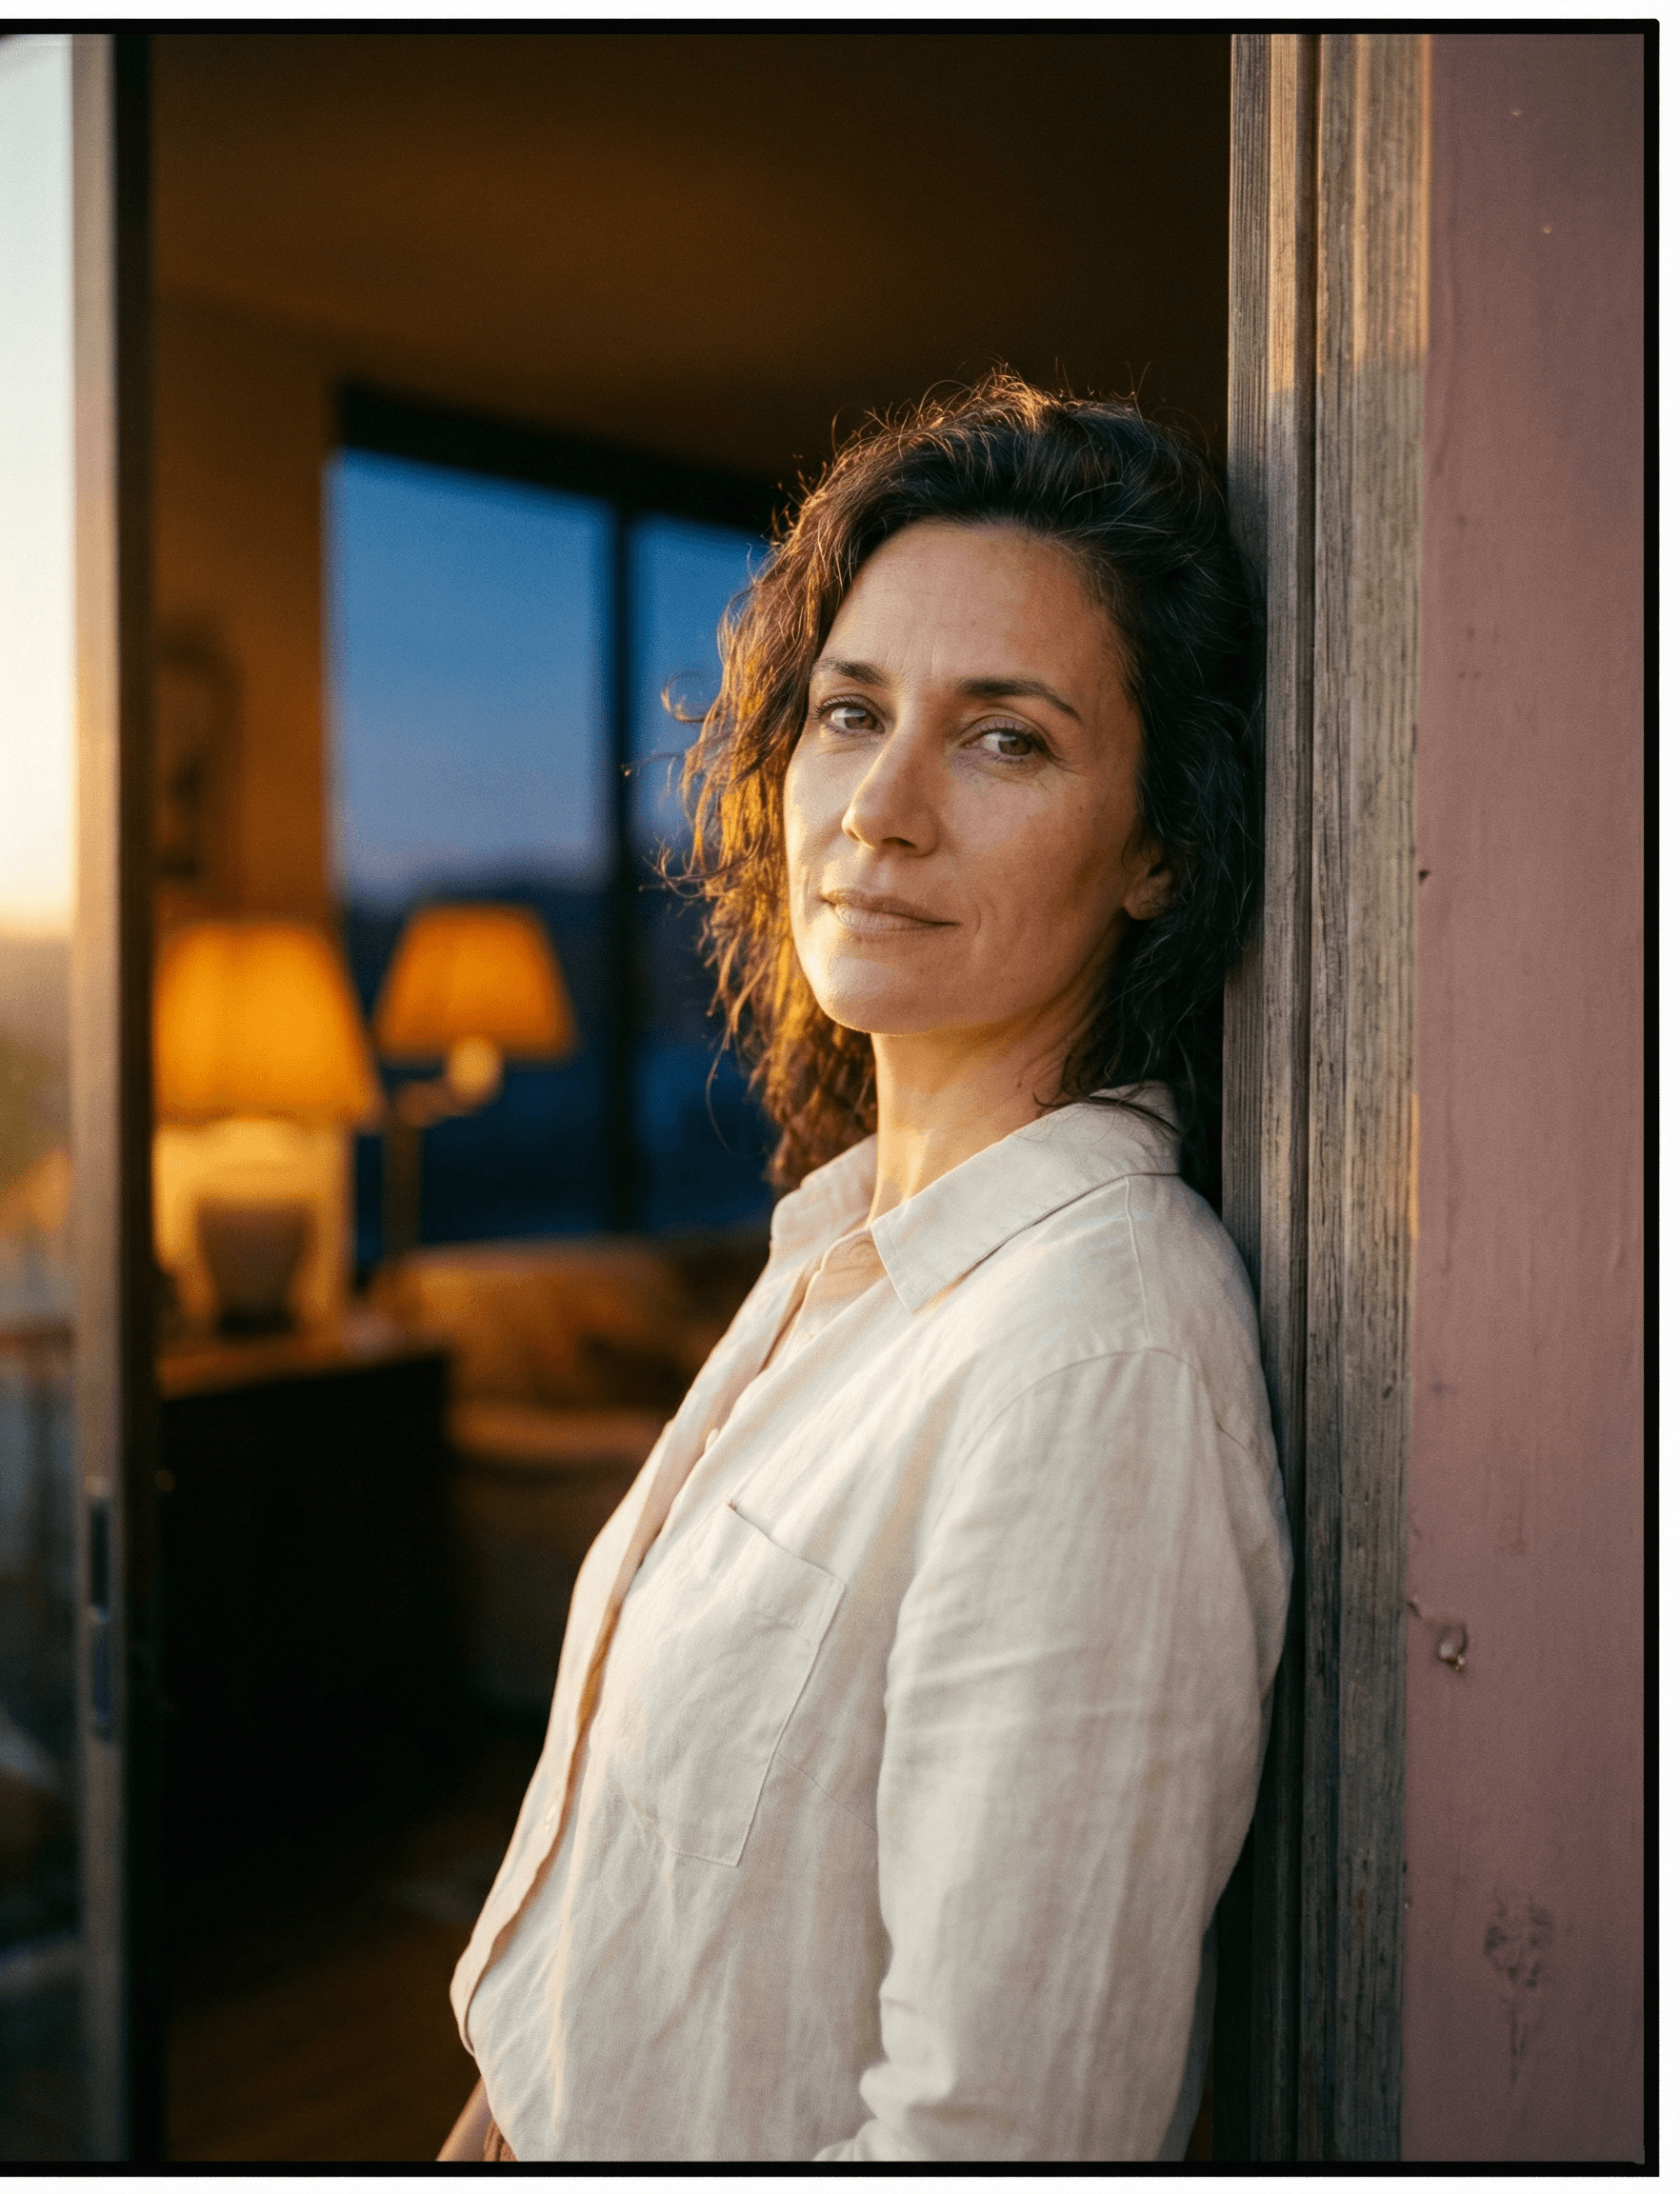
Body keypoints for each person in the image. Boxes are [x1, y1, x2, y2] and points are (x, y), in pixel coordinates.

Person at [437, 374, 1291, 2164]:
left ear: (1159, 851)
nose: (880, 809)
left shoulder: (1095, 1347)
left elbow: (1005, 2125)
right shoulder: (849, 1255)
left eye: (1007, 739)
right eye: (850, 712)